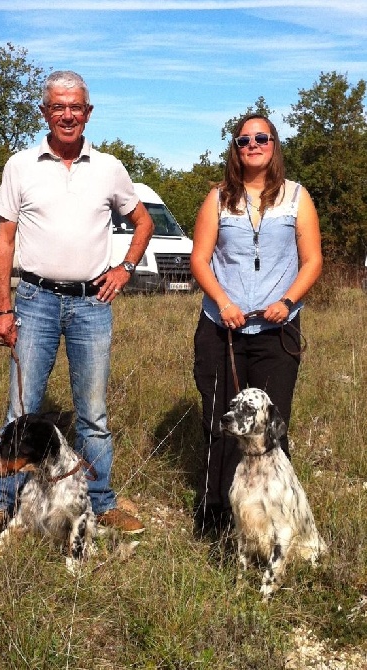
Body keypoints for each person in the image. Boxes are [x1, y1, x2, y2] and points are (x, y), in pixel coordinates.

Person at [0, 70, 154, 534]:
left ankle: (99, 500)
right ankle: (4, 505)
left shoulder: (109, 167)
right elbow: (4, 240)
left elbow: (143, 223)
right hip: (34, 300)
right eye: (58, 106)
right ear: (45, 112)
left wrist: (126, 269)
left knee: (93, 412)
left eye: (75, 106)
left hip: (91, 304)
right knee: (21, 409)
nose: (67, 114)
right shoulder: (20, 165)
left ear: (88, 112)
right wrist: (4, 309)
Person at [190, 113, 322, 537]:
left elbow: (312, 260)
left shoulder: (297, 197)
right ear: (236, 148)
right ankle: (215, 516)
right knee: (220, 422)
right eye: (244, 139)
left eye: (261, 138)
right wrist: (223, 302)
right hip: (222, 330)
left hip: (276, 334)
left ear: (273, 144)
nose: (253, 145)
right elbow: (199, 259)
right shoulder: (217, 198)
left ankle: (272, 520)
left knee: (270, 425)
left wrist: (288, 301)